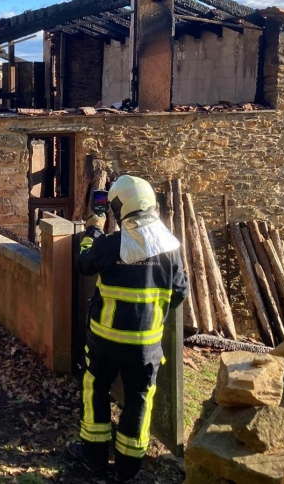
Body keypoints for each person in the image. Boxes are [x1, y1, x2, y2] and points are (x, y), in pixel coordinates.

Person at [67, 175, 188, 482]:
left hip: (104, 342)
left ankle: (94, 459)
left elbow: (83, 264)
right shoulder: (171, 248)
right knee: (139, 402)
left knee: (95, 392)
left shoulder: (111, 244)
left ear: (119, 207)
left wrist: (92, 229)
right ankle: (128, 470)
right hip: (146, 348)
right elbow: (180, 292)